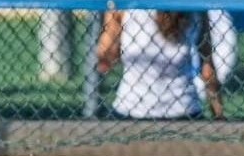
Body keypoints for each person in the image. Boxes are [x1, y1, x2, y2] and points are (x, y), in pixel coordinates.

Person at [96, 9, 224, 120]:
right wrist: (218, 114)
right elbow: (207, 70)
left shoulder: (127, 5)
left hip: (131, 109)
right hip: (184, 109)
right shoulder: (194, 8)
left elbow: (106, 59)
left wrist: (111, 17)